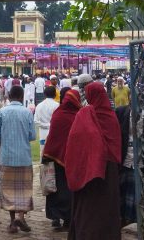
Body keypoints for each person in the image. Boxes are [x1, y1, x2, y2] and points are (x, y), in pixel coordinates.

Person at [65, 82, 122, 240]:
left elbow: (75, 140)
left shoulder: (85, 114)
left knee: (90, 208)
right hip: (108, 169)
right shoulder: (111, 116)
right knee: (106, 206)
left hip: (89, 169)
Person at [0, 85, 36, 234]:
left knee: (9, 191)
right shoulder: (27, 112)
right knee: (24, 190)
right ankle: (21, 217)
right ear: (22, 97)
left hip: (7, 158)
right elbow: (32, 136)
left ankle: (12, 223)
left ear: (9, 96)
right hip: (24, 158)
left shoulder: (2, 112)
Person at [42, 89, 82, 231]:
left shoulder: (58, 114)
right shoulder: (78, 116)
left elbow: (52, 136)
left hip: (54, 156)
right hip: (71, 159)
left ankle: (55, 218)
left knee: (54, 187)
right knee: (68, 189)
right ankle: (67, 220)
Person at [115, 95, 137, 228]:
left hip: (139, 159)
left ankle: (134, 218)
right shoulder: (121, 112)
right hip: (124, 156)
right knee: (122, 188)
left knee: (135, 190)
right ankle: (123, 217)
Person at [34, 86, 60, 157]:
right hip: (54, 134)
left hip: (43, 134)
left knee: (43, 155)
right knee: (54, 156)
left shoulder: (39, 106)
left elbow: (36, 121)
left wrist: (45, 125)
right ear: (55, 95)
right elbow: (58, 122)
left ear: (44, 94)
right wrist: (49, 125)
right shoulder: (57, 105)